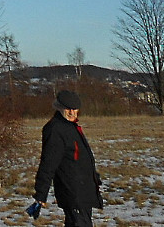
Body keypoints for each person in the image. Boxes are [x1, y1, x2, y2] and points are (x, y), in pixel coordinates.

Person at [32, 90, 104, 227]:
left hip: (83, 190)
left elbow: (78, 158)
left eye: (74, 109)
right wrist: (41, 194)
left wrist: (93, 177)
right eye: (68, 109)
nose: (72, 113)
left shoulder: (71, 126)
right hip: (72, 192)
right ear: (59, 107)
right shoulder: (55, 129)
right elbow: (48, 164)